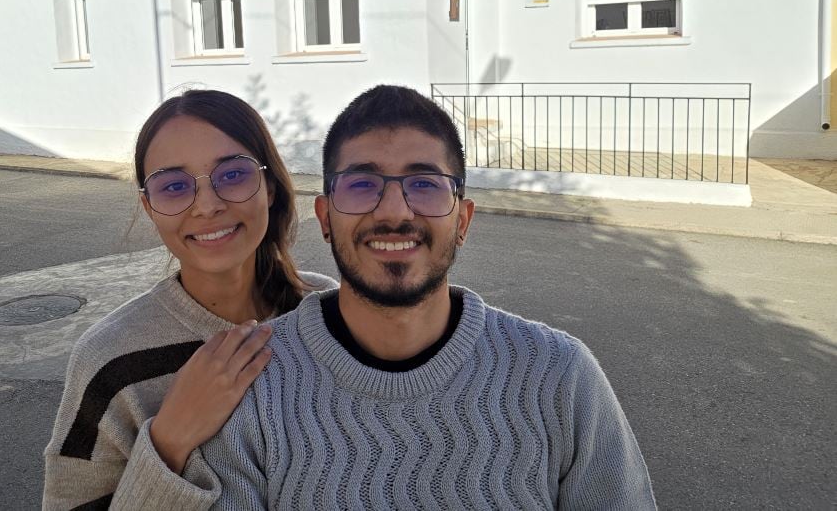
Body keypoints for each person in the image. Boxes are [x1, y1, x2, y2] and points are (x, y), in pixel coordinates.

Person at [170, 85, 657, 509]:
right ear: (323, 218)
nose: (395, 211)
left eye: (424, 184)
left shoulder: (560, 377)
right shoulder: (254, 384)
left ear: (462, 220)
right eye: (363, 184)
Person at [41, 89, 336, 510]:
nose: (207, 205)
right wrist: (170, 438)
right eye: (174, 186)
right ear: (149, 207)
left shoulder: (326, 311)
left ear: (269, 185)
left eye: (233, 175)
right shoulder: (109, 359)